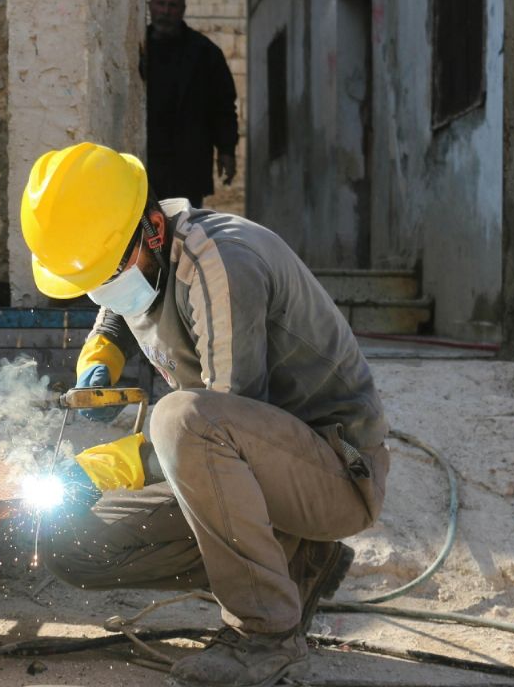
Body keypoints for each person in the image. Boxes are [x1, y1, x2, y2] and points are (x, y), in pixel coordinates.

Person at [21, 142, 391, 687]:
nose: (103, 290)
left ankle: (265, 635)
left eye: (109, 273)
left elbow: (220, 416)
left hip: (334, 476)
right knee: (70, 543)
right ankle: (297, 563)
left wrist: (109, 465)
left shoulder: (220, 264)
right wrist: (101, 356)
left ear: (152, 227)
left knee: (178, 419)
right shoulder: (142, 253)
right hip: (243, 465)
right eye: (91, 282)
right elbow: (117, 308)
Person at [145, 0, 239, 210]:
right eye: (161, 4)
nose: (166, 11)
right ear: (150, 6)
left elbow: (223, 106)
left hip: (188, 164)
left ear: (183, 9)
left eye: (172, 5)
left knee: (183, 225)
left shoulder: (206, 53)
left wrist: (226, 149)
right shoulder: (135, 48)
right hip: (145, 161)